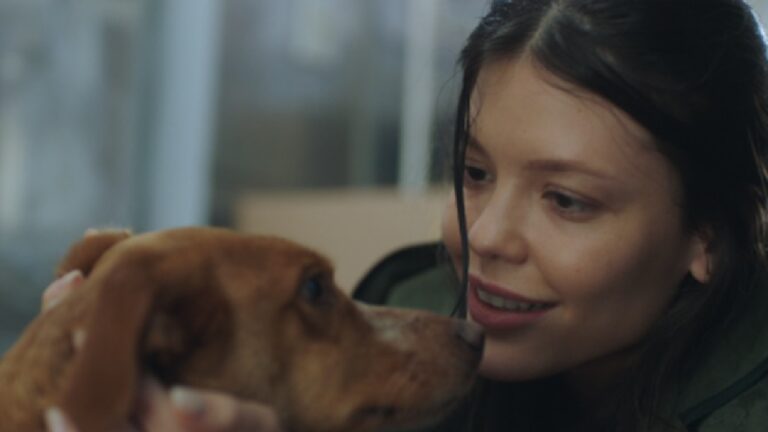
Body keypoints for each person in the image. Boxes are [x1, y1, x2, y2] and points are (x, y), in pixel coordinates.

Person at [44, 0, 768, 430]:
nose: (482, 237)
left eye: (567, 200)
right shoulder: (401, 312)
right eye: (475, 173)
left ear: (706, 232)